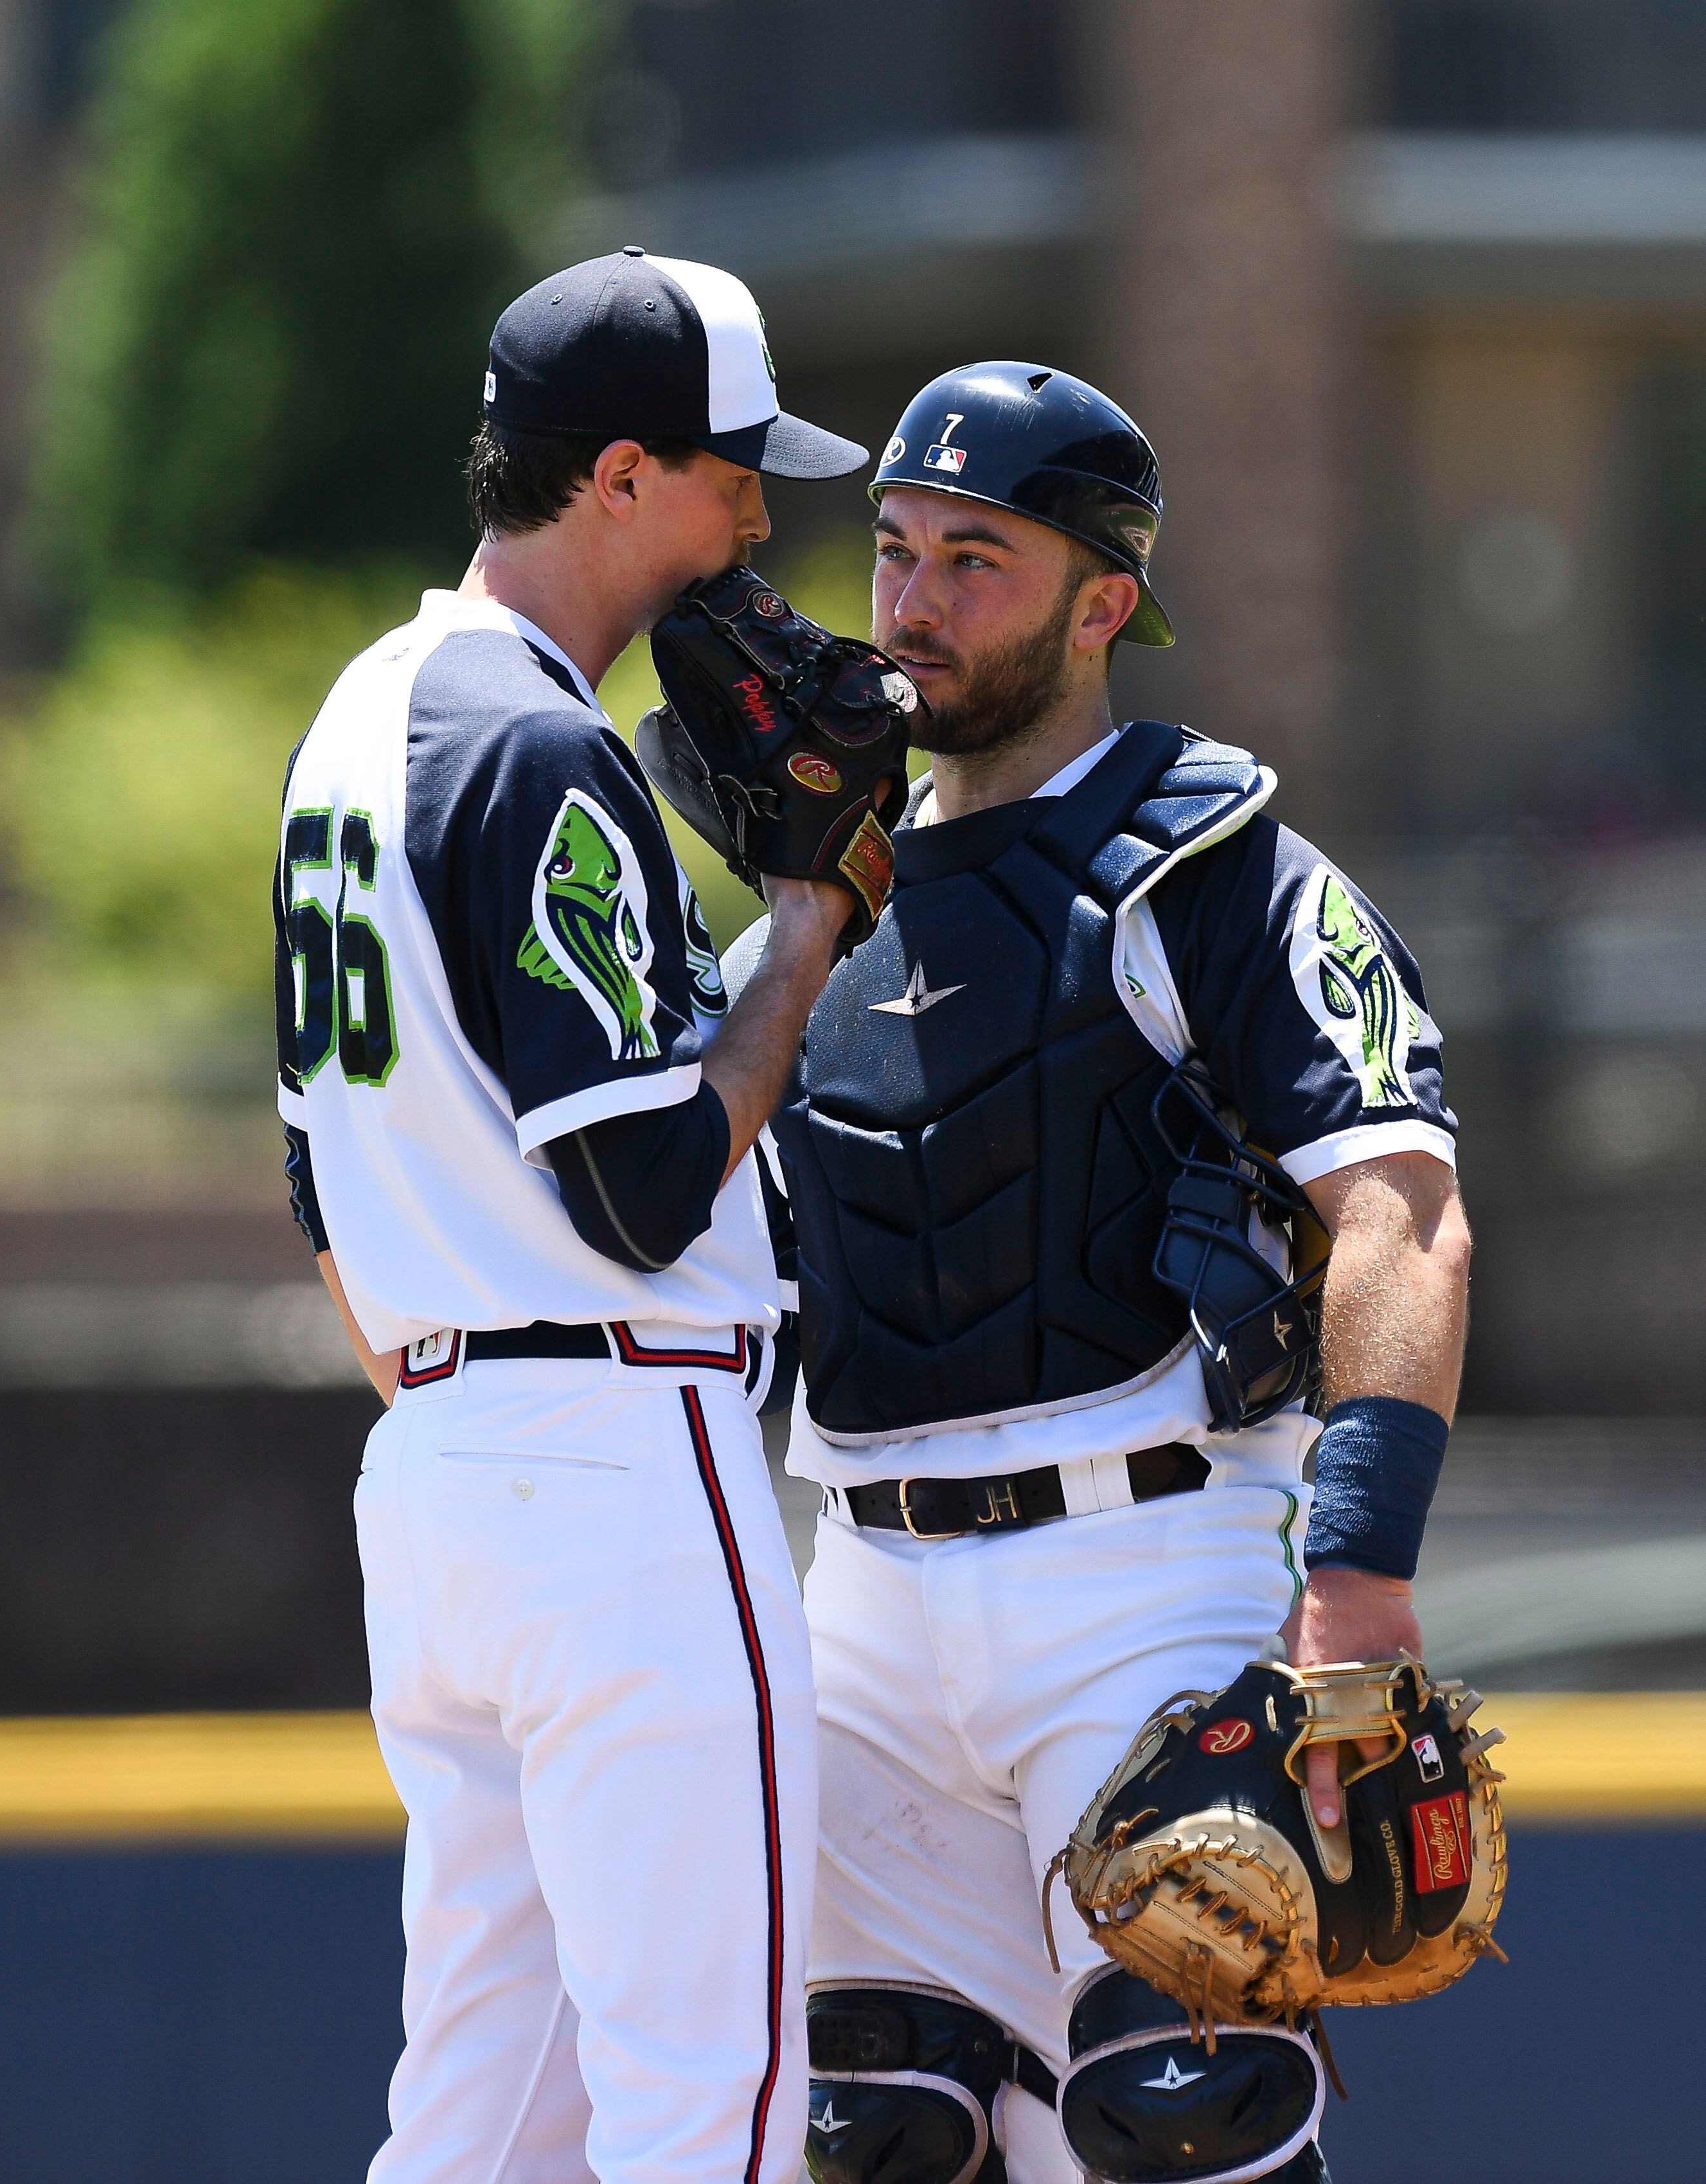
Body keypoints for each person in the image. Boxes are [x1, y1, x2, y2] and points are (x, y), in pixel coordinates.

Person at [729, 364, 1471, 2184]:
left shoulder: (1220, 871)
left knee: (1180, 2121)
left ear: (1103, 599)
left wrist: (1361, 1577)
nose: (911, 604)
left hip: (1144, 1571)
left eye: (977, 559)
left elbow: (1403, 1215)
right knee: (883, 2140)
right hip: (868, 1602)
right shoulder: (816, 894)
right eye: (895, 549)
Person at [274, 249, 867, 2184]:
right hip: (616, 1457)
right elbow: (636, 1194)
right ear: (617, 476)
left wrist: (473, 1404)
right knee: (717, 2107)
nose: (759, 516)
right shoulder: (538, 745)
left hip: (445, 1471)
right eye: (728, 471)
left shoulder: (357, 725)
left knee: (476, 2125)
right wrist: (806, 919)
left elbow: (319, 1188)